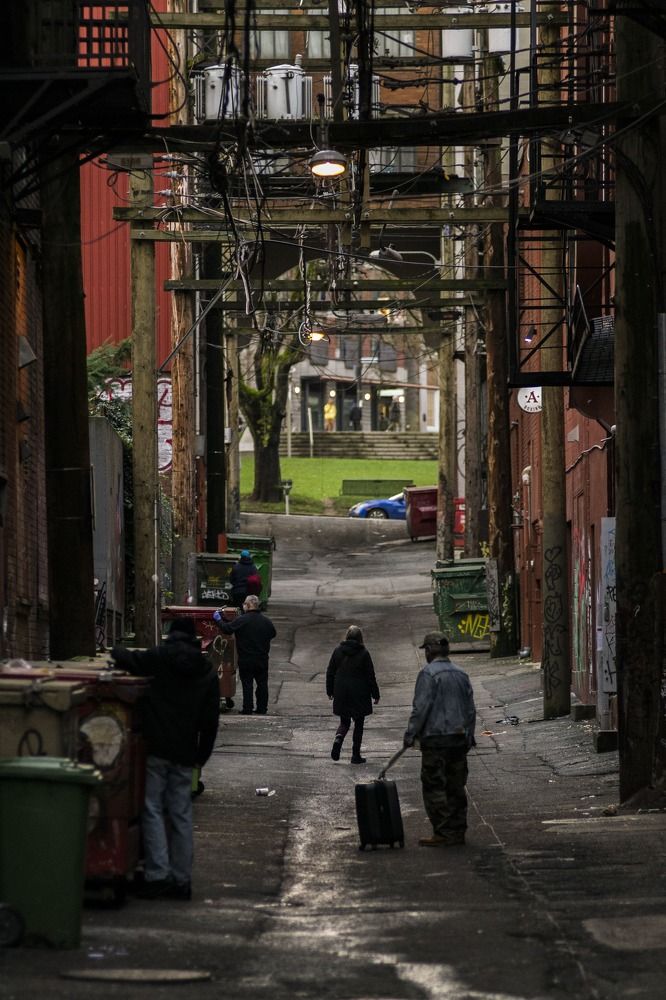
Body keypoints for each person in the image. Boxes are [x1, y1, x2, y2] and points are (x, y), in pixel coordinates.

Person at [111, 617, 220, 899]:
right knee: (182, 814)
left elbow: (128, 659)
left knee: (153, 809)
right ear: (193, 638)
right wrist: (201, 757)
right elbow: (210, 722)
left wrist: (112, 651)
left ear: (171, 635)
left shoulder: (158, 658)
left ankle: (158, 874)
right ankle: (182, 880)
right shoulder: (206, 671)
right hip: (185, 753)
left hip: (157, 749)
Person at [403, 631, 476, 847]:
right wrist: (469, 736)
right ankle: (458, 831)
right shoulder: (461, 674)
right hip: (458, 738)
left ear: (428, 651)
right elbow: (470, 710)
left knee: (435, 786)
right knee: (456, 786)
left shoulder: (428, 674)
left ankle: (443, 831)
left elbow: (421, 708)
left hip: (435, 740)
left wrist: (410, 734)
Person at [326, 625, 380, 765]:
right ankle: (355, 755)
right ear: (360, 638)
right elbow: (370, 676)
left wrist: (330, 691)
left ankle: (338, 739)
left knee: (344, 721)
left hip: (341, 691)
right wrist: (375, 694)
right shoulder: (364, 653)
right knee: (359, 723)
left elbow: (330, 672)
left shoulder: (338, 651)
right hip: (359, 692)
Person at [214, 595, 276, 715]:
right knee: (262, 684)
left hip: (246, 658)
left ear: (247, 605)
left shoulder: (243, 619)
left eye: (244, 604)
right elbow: (273, 633)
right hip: (262, 658)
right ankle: (262, 708)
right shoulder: (266, 621)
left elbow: (227, 629)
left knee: (247, 684)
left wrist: (218, 619)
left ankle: (247, 708)